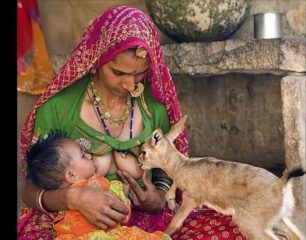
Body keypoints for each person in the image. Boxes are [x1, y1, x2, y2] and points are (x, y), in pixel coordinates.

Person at [17, 5, 245, 240]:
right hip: (74, 221)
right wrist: (73, 198)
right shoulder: (58, 108)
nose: (130, 84)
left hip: (145, 223)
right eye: (118, 73)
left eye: (139, 74)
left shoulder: (154, 107)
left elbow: (167, 168)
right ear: (96, 60)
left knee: (242, 227)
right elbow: (31, 189)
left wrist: (158, 196)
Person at [26, 130, 169, 240]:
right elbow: (121, 213)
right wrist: (124, 194)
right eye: (82, 155)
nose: (89, 155)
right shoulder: (95, 184)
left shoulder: (60, 205)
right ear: (70, 176)